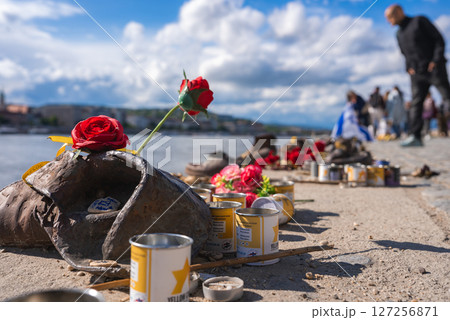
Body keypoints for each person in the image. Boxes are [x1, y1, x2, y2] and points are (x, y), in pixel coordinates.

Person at [385, 4, 450, 147]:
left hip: (434, 68)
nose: (389, 21)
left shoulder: (419, 21)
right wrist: (408, 68)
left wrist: (435, 60)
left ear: (399, 12)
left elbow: (439, 40)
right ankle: (415, 136)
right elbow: (405, 53)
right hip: (417, 73)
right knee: (416, 103)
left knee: (447, 97)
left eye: (390, 17)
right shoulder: (399, 34)